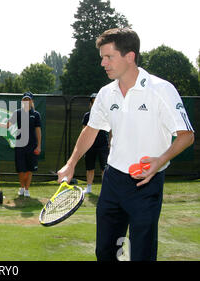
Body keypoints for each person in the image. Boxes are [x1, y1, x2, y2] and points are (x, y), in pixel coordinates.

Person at [57, 28, 194, 261]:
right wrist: (71, 164)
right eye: (102, 57)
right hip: (113, 182)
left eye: (108, 56)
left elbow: (186, 135)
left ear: (130, 56)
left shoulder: (161, 90)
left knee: (141, 255)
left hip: (146, 184)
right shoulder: (105, 93)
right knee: (105, 252)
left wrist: (160, 161)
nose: (103, 63)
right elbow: (91, 130)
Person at [4, 92, 42, 197]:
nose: (26, 101)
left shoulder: (36, 114)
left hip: (32, 145)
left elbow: (38, 131)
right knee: (21, 169)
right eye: (24, 100)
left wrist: (39, 146)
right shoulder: (17, 113)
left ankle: (26, 189)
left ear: (31, 101)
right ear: (22, 101)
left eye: (28, 100)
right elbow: (7, 125)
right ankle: (21, 187)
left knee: (29, 169)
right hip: (20, 144)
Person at [82, 93, 110, 194]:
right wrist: (84, 145)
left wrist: (110, 142)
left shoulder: (105, 114)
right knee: (90, 168)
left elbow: (110, 130)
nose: (94, 104)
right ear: (90, 104)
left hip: (103, 145)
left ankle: (105, 189)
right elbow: (83, 131)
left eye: (96, 102)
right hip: (90, 146)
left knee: (104, 168)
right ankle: (89, 188)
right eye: (93, 102)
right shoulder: (87, 116)